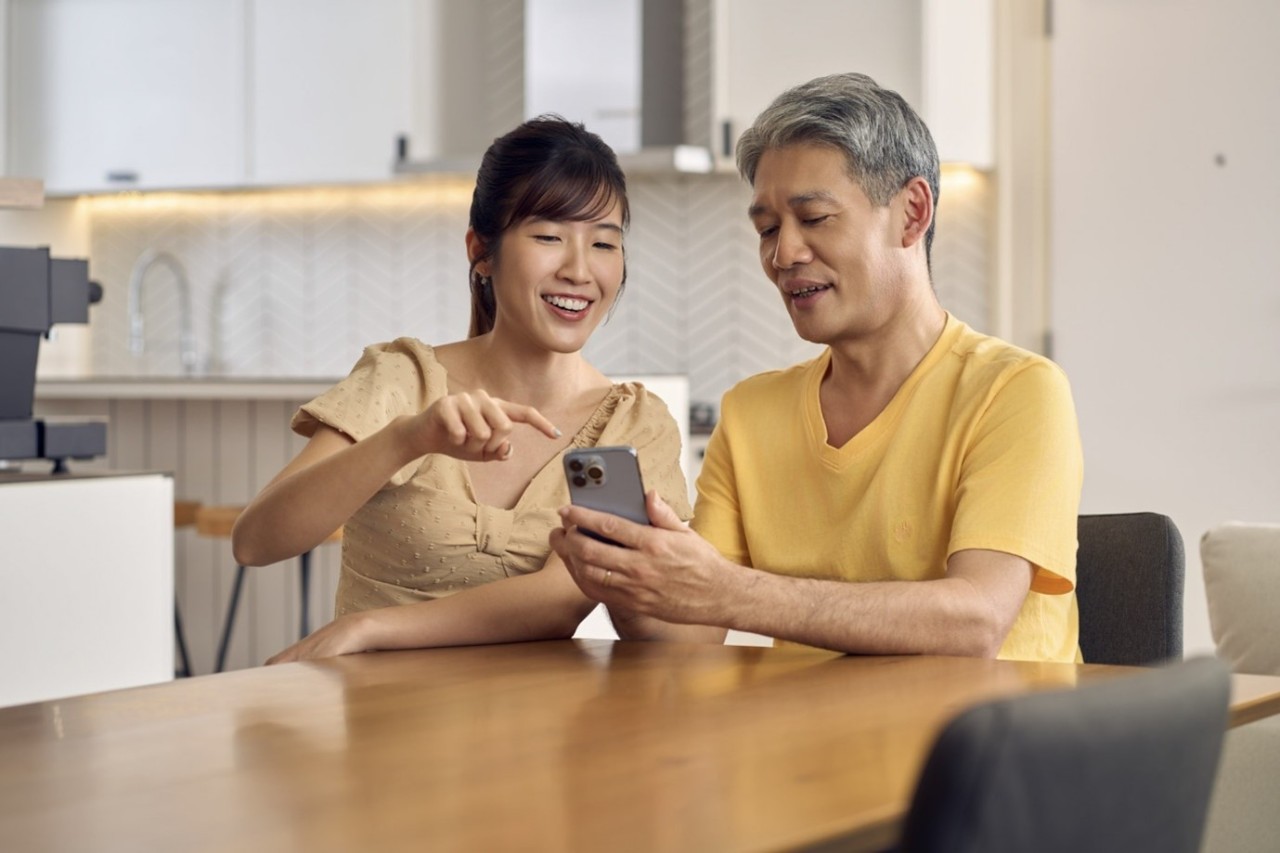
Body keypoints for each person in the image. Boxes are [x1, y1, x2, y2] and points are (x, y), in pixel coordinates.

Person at [551, 73, 1084, 662]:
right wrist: (628, 580)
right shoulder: (752, 412)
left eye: (814, 218)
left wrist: (727, 591)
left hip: (986, 743)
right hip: (814, 742)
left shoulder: (1016, 391)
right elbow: (687, 631)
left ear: (911, 213)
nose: (784, 254)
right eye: (768, 229)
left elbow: (976, 621)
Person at [231, 116, 692, 663]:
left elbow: (559, 600)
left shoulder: (634, 424)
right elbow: (257, 541)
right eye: (548, 237)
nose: (579, 269)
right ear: (481, 251)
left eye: (603, 243)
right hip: (383, 726)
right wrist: (406, 440)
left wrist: (370, 629)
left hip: (539, 734)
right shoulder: (403, 379)